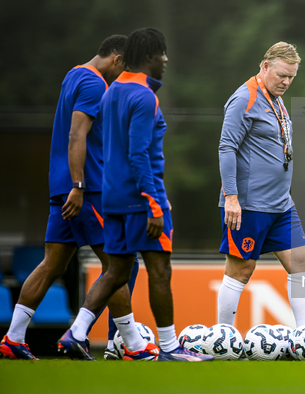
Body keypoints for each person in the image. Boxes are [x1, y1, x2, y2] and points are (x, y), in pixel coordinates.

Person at [56, 28, 212, 362]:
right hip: (142, 201)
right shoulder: (143, 96)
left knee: (115, 271)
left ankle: (77, 332)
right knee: (159, 271)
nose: (166, 59)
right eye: (162, 53)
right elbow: (138, 154)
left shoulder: (112, 91)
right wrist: (154, 203)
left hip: (111, 200)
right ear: (148, 57)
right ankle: (170, 348)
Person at [0, 35, 139, 361]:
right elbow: (77, 134)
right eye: (127, 67)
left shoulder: (74, 74)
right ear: (116, 60)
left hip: (64, 188)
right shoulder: (94, 85)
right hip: (86, 190)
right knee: (117, 266)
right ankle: (131, 346)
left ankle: (13, 337)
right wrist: (79, 185)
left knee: (52, 264)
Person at [218, 42, 305, 329]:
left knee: (302, 261)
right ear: (265, 66)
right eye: (281, 75)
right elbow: (226, 147)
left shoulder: (275, 97)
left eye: (291, 77)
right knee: (241, 269)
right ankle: (224, 336)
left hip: (281, 203)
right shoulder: (244, 98)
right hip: (249, 203)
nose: (286, 82)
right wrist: (232, 197)